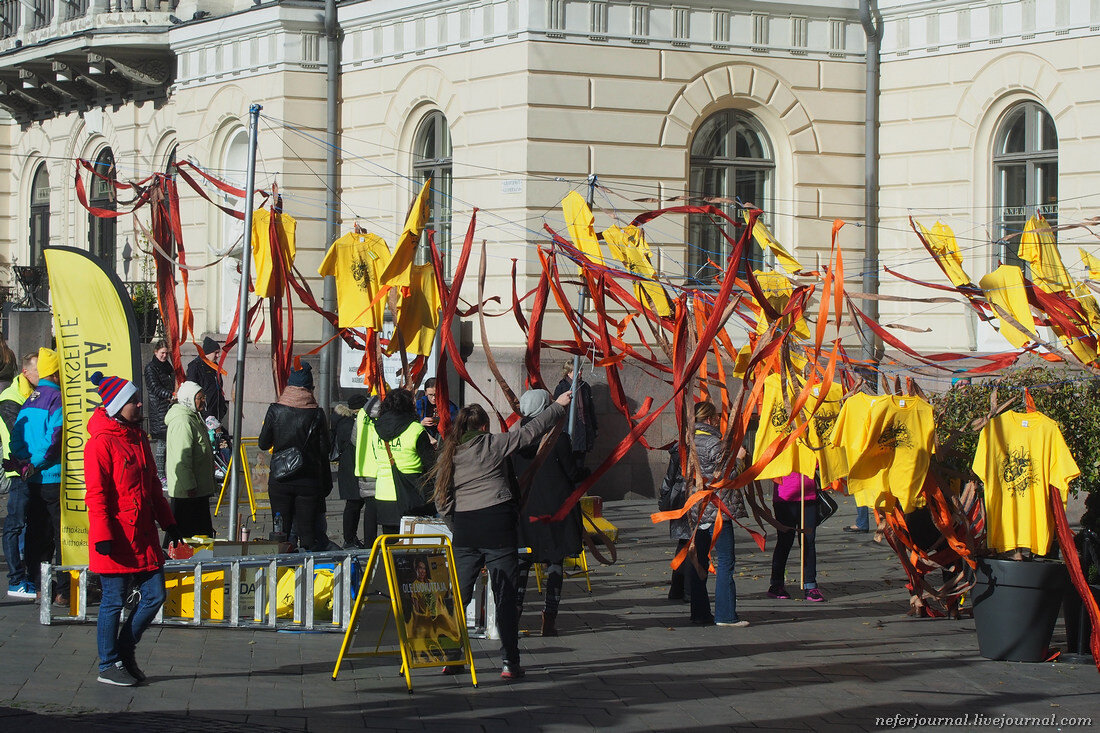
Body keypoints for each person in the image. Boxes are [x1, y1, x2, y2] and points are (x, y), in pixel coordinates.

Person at [431, 390, 571, 680]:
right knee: (504, 595)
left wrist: (457, 526)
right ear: (484, 427)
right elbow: (532, 430)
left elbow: (442, 501)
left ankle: (451, 655)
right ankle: (509, 662)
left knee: (459, 594)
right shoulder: (494, 444)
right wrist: (558, 406)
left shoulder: (450, 453)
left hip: (467, 529)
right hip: (498, 527)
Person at [85, 371, 182, 686]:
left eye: (138, 399)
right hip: (114, 537)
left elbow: (153, 485)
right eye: (132, 401)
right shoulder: (100, 443)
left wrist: (169, 522)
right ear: (116, 406)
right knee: (113, 599)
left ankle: (124, 648)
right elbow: (96, 495)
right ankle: (108, 664)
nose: (140, 404)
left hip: (142, 534)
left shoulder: (138, 437)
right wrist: (101, 536)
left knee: (155, 595)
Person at [512, 389, 583, 637]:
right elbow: (572, 473)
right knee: (555, 562)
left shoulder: (515, 436)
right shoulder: (559, 438)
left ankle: (515, 612)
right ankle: (549, 618)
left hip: (525, 509)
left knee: (521, 563)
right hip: (554, 510)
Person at [680, 401, 748, 626]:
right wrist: (739, 458)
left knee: (699, 561)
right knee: (726, 562)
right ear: (709, 420)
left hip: (695, 510)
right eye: (716, 418)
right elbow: (730, 476)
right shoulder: (714, 443)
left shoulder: (686, 442)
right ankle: (726, 615)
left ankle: (699, 613)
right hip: (718, 511)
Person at [258, 362, 331, 551]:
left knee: (281, 532)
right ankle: (306, 573)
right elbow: (325, 450)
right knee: (307, 533)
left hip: (280, 480)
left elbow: (263, 444)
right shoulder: (317, 413)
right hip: (308, 481)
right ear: (309, 386)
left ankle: (283, 572)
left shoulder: (275, 410)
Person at [11, 347, 65, 605]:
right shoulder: (56, 399)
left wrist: (25, 463)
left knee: (35, 535)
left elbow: (15, 439)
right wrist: (36, 462)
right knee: (60, 535)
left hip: (32, 479)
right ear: (56, 373)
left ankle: (42, 587)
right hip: (52, 477)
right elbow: (55, 438)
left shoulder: (30, 399)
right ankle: (64, 591)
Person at [361, 389, 434, 533]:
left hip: (384, 493)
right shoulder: (416, 429)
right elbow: (430, 463)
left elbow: (376, 456)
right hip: (412, 493)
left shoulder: (376, 429)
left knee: (390, 544)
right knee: (413, 544)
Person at [2, 352, 38, 600]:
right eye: (39, 371)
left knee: (31, 524)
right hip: (18, 471)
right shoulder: (11, 398)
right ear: (26, 372)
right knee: (15, 525)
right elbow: (19, 434)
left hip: (33, 469)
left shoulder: (34, 395)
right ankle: (15, 579)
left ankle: (28, 575)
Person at [164, 381, 216, 539]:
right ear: (188, 399)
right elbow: (182, 457)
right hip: (188, 494)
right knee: (184, 537)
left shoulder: (193, 417)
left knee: (198, 537)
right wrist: (189, 485)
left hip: (197, 490)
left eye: (203, 397)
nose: (203, 401)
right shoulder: (183, 422)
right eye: (199, 398)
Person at [768, 471, 824, 602]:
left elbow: (817, 462)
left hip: (808, 495)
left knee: (808, 541)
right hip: (785, 496)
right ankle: (776, 583)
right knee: (784, 540)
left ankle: (810, 584)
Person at [331, 394, 367, 548]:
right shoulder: (349, 424)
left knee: (355, 504)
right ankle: (349, 539)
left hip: (350, 467)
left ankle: (350, 538)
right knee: (353, 504)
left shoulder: (344, 422)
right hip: (352, 468)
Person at [351, 395, 383, 548]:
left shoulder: (363, 413)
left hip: (364, 467)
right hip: (382, 468)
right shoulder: (386, 414)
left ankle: (369, 545)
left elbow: (354, 439)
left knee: (370, 509)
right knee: (386, 511)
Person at [553, 363, 597, 468]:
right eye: (577, 370)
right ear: (569, 372)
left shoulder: (585, 386)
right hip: (567, 431)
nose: (580, 372)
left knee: (579, 463)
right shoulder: (561, 387)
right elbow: (556, 411)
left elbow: (590, 409)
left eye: (581, 370)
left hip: (583, 431)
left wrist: (594, 428)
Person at [143, 340, 175, 484]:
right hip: (159, 410)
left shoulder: (168, 367)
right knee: (162, 444)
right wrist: (170, 394)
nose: (164, 356)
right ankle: (160, 477)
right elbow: (154, 388)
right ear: (155, 352)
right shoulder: (151, 368)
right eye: (162, 353)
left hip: (169, 407)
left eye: (166, 353)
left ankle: (167, 474)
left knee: (169, 444)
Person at [185, 337, 228, 423]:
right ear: (208, 353)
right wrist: (203, 412)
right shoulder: (195, 366)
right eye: (215, 353)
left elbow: (219, 388)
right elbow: (192, 390)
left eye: (218, 353)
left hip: (217, 412)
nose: (217, 356)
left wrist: (223, 408)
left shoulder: (215, 367)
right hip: (205, 414)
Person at [415, 378, 457, 444]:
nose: (434, 398)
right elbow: (410, 424)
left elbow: (456, 422)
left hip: (443, 441)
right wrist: (421, 423)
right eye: (430, 395)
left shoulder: (449, 406)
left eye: (436, 395)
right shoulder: (419, 405)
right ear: (425, 393)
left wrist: (440, 421)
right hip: (424, 441)